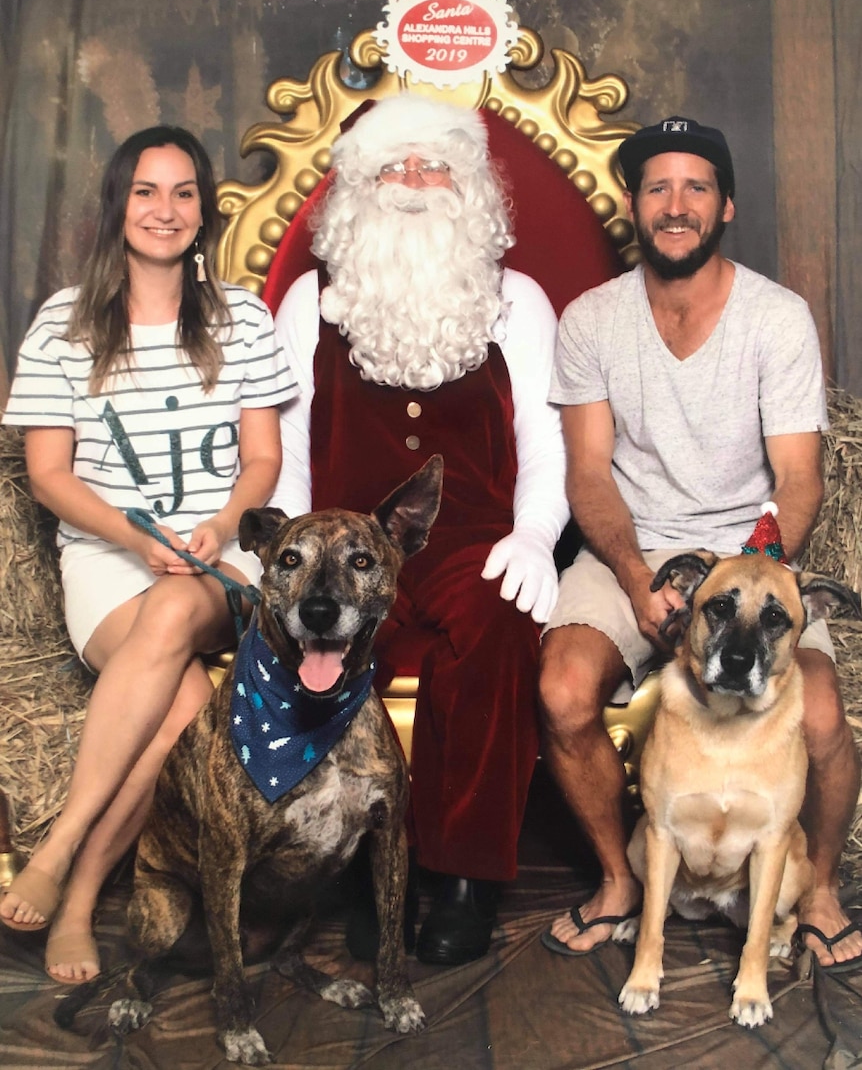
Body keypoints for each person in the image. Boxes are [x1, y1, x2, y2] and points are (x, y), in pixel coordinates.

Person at [538, 115, 862, 972]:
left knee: (823, 716)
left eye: (695, 188)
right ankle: (621, 879)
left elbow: (801, 481)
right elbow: (589, 476)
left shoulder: (777, 318)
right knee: (564, 691)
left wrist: (733, 588)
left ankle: (819, 887)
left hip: (749, 563)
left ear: (725, 207)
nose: (675, 206)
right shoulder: (589, 319)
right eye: (657, 188)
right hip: (631, 554)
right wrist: (643, 579)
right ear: (633, 206)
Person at [270, 94, 571, 965]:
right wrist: (294, 562)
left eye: (431, 164)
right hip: (344, 550)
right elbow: (288, 447)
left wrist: (534, 537)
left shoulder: (518, 301)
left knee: (495, 627)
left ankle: (465, 879)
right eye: (392, 166)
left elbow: (545, 445)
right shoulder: (308, 302)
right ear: (359, 184)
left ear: (467, 185)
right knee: (332, 645)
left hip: (472, 545)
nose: (411, 182)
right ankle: (370, 868)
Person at [0, 126, 297, 984]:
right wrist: (136, 536)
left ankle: (58, 854)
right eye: (145, 191)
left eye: (182, 194)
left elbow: (264, 462)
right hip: (106, 560)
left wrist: (220, 524)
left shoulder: (242, 317)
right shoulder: (64, 321)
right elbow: (48, 474)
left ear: (204, 212)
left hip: (221, 559)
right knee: (180, 707)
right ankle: (86, 899)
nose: (164, 210)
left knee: (176, 606)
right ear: (117, 205)